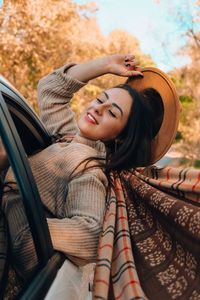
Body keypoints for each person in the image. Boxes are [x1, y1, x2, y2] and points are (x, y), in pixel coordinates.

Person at [1, 54, 164, 299]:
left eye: (112, 113)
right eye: (100, 99)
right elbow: (50, 91)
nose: (97, 108)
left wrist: (28, 222)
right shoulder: (71, 137)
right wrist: (106, 65)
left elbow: (88, 235)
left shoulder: (90, 168)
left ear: (120, 137)